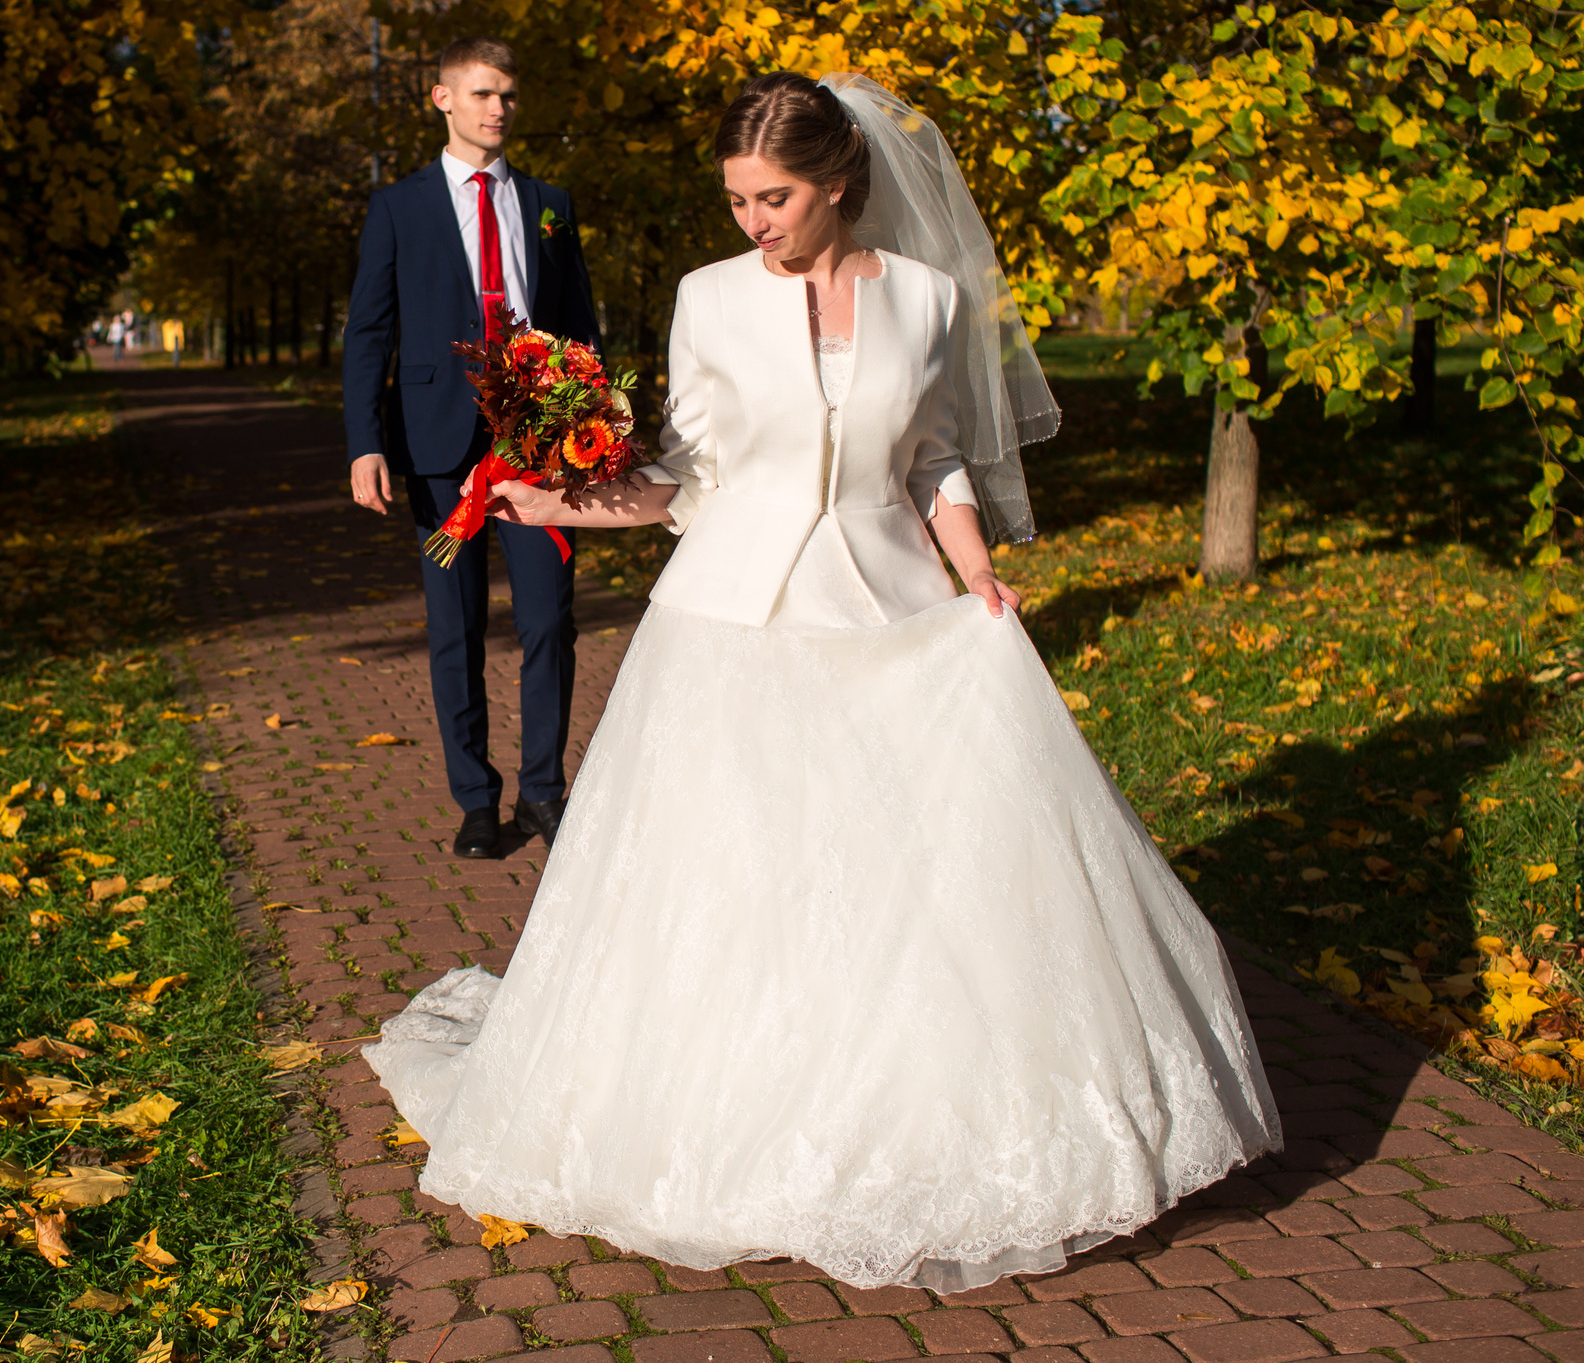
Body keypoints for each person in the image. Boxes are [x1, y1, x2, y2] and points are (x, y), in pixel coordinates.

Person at [362, 72, 1279, 1292]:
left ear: (839, 183)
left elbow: (937, 457)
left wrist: (977, 579)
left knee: (907, 886)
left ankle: (911, 1118)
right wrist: (558, 496)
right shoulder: (708, 299)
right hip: (727, 625)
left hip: (892, 614)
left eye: (774, 198)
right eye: (738, 200)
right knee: (736, 879)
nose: (754, 222)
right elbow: (685, 473)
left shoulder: (930, 301)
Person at [342, 37, 603, 859]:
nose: (500, 108)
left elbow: (581, 323)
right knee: (453, 624)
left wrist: (590, 424)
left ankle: (542, 792)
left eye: (509, 96)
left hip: (538, 444)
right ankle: (475, 802)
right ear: (442, 98)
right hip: (437, 447)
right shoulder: (399, 207)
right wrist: (365, 443)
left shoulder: (549, 201)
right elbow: (368, 334)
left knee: (548, 621)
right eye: (484, 94)